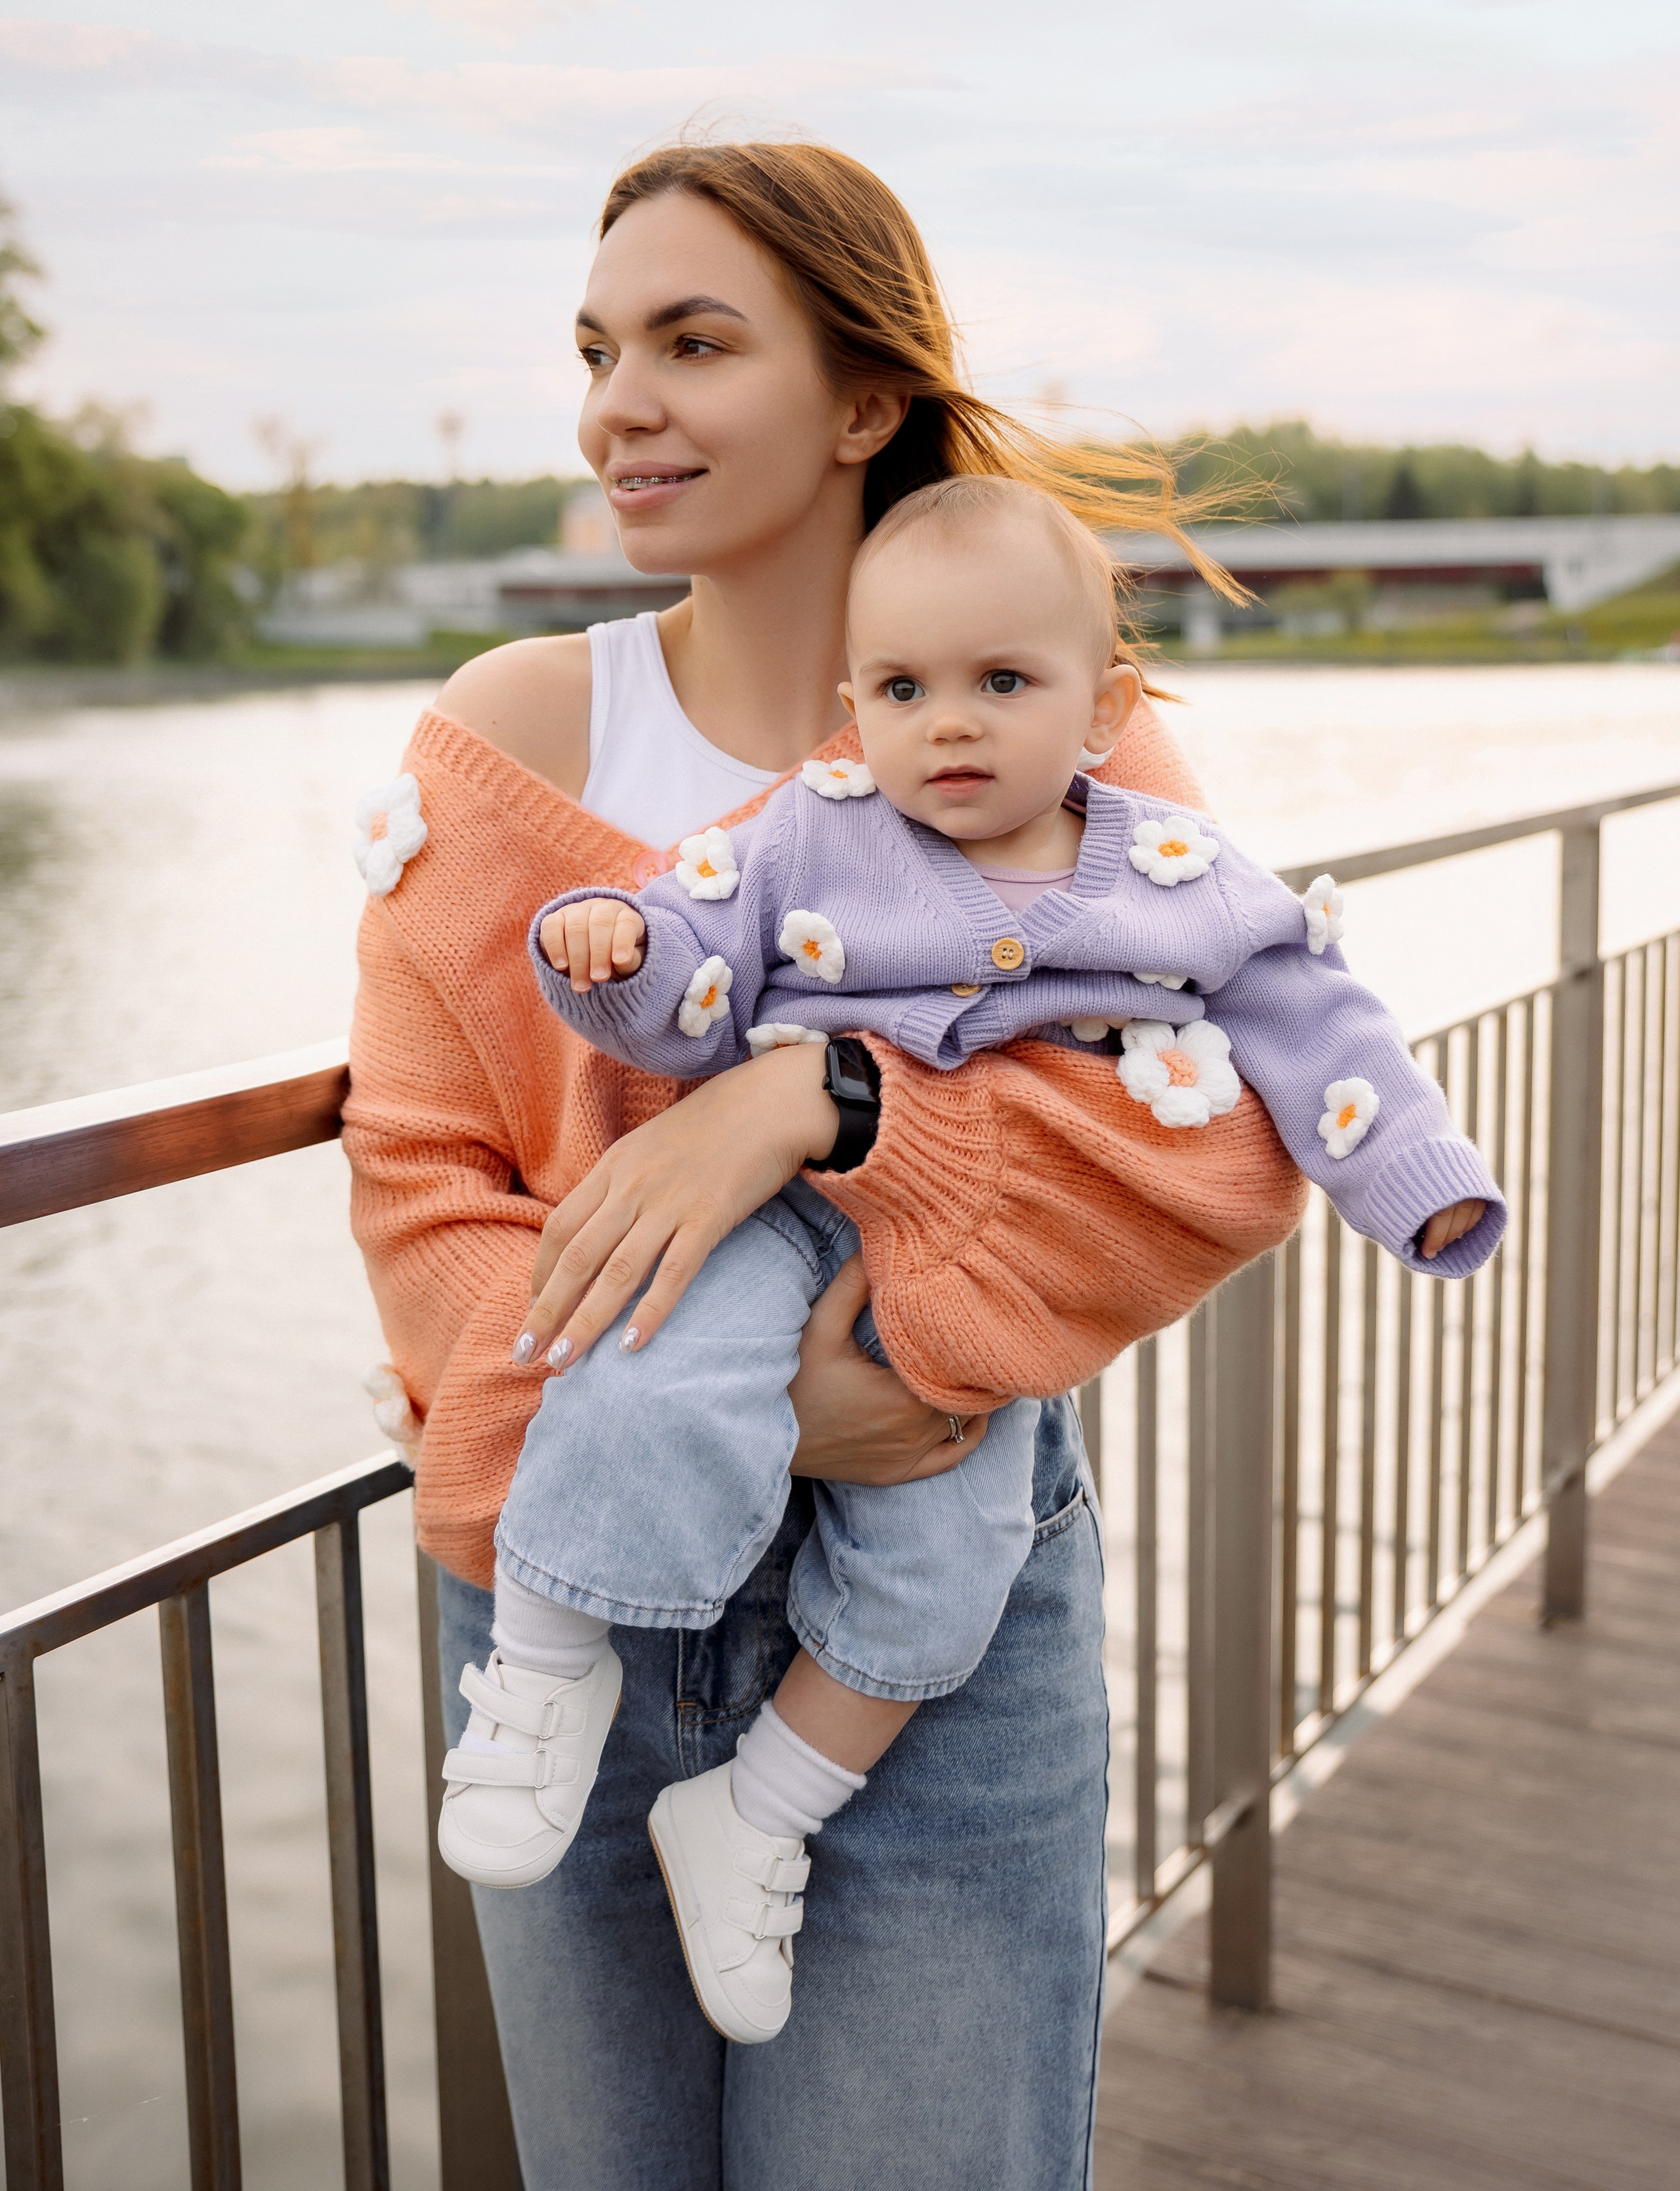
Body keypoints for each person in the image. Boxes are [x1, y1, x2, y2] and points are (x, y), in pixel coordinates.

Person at [343, 140, 1312, 2190]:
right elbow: (420, 1176)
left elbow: (1206, 1143)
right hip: (555, 1612)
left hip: (931, 1614)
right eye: (600, 348)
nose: (622, 402)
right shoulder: (511, 738)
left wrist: (815, 1101)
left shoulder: (1062, 742)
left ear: (865, 399)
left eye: (696, 342)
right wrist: (741, 1420)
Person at [435, 473, 1500, 2045]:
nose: (949, 725)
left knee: (950, 1563)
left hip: (962, 1275)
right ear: (854, 708)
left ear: (1101, 708)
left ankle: (758, 1815)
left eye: (1002, 684)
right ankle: (538, 1667)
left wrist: (1411, 1180)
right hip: (781, 1209)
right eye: (905, 690)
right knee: (656, 1362)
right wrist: (609, 948)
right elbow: (691, 964)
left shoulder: (1169, 873)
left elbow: (1309, 1020)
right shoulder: (816, 827)